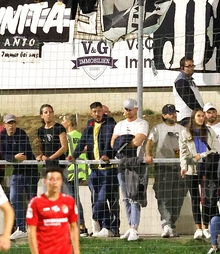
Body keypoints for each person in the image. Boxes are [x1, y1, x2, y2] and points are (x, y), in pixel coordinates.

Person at [72, 102, 118, 238]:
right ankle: (104, 226)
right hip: (94, 169)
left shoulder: (110, 124)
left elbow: (112, 142)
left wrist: (107, 155)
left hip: (107, 169)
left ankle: (107, 225)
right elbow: (82, 142)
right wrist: (74, 155)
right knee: (97, 198)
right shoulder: (90, 126)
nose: (97, 114)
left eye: (99, 111)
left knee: (104, 198)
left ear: (103, 112)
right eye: (94, 111)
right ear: (91, 113)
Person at [180, 108, 220, 240]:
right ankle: (198, 228)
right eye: (199, 116)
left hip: (208, 167)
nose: (201, 118)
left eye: (203, 116)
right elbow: (183, 152)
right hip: (192, 169)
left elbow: (216, 149)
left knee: (208, 198)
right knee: (195, 198)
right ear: (193, 117)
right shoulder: (185, 132)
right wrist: (184, 166)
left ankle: (206, 226)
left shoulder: (209, 131)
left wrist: (202, 155)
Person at [111, 99, 149, 241]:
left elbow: (138, 141)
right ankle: (130, 226)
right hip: (122, 164)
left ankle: (134, 227)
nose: (128, 112)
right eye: (126, 109)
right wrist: (127, 141)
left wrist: (123, 142)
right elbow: (113, 143)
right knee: (125, 197)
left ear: (136, 109)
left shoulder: (142, 123)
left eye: (130, 109)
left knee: (134, 196)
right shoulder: (120, 124)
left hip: (135, 164)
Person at [147, 104, 186, 238]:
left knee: (178, 197)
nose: (173, 115)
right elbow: (150, 142)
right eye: (170, 113)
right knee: (164, 196)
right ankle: (166, 224)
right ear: (164, 115)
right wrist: (148, 154)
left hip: (180, 166)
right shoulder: (157, 128)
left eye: (174, 112)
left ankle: (172, 224)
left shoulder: (182, 129)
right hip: (163, 167)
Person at [25, 167, 79, 254]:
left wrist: (76, 251)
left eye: (58, 179)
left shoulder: (69, 201)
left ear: (61, 182)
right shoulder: (35, 203)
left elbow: (74, 227)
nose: (54, 182)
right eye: (51, 179)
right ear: (45, 181)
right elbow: (31, 231)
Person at [0, 114, 36, 241]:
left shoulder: (21, 133)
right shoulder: (3, 135)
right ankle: (21, 228)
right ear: (4, 124)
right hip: (17, 171)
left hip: (30, 171)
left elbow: (24, 155)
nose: (12, 125)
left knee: (32, 200)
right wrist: (13, 157)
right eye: (9, 123)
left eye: (14, 123)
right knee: (14, 198)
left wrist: (13, 157)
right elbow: (3, 154)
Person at [173, 57, 204, 125]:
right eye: (189, 66)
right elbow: (189, 100)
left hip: (194, 116)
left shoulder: (189, 81)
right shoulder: (181, 82)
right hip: (186, 118)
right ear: (182, 68)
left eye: (192, 66)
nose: (191, 68)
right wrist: (200, 111)